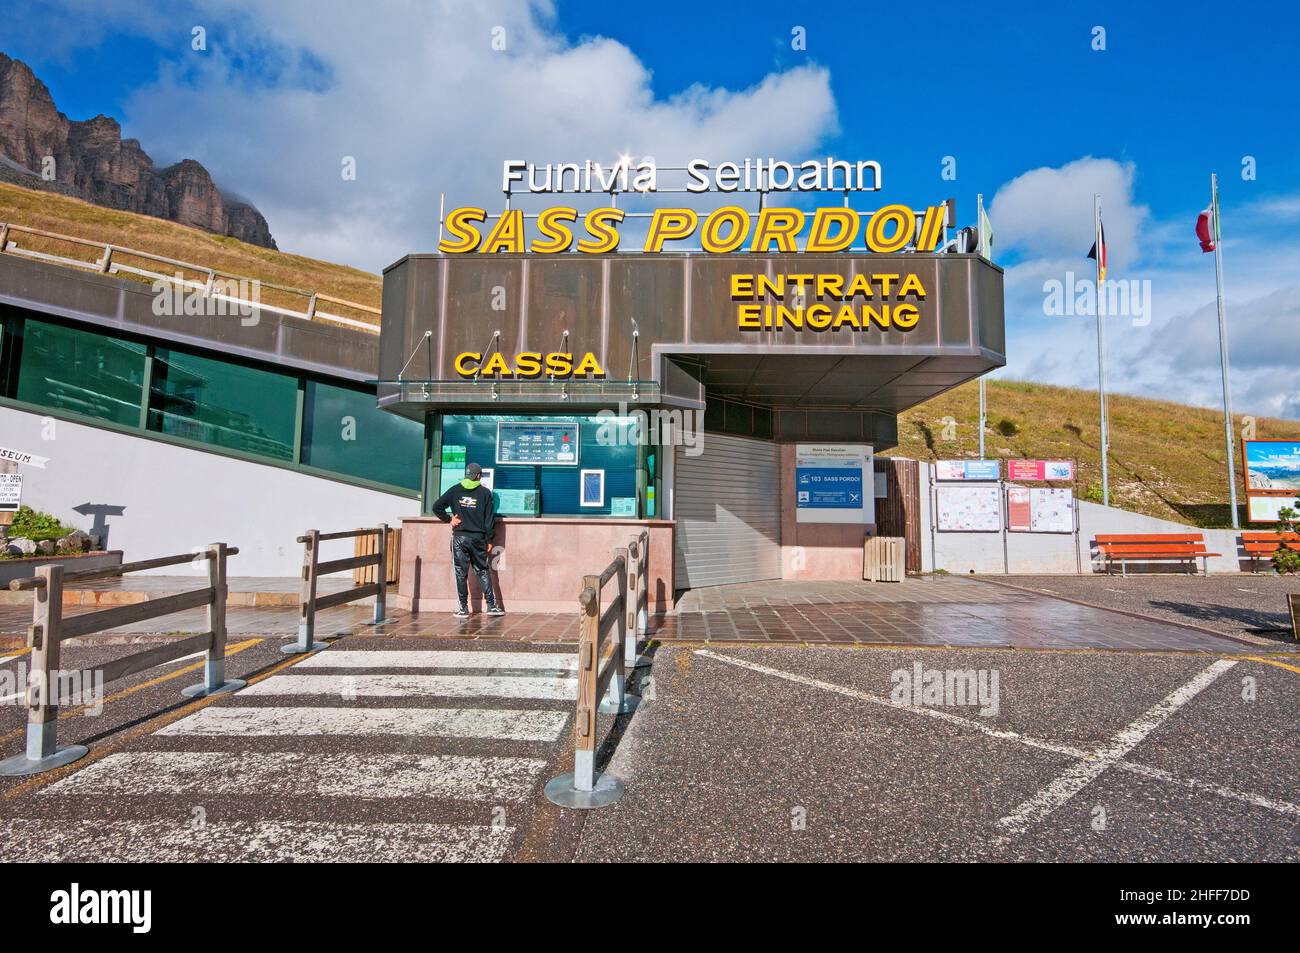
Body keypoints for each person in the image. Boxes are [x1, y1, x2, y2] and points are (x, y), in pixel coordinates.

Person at [431, 462, 504, 617]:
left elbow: (436, 506)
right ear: (478, 476)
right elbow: (489, 520)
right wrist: (490, 540)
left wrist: (449, 519)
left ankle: (463, 608)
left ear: (467, 475)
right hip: (478, 538)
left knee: (460, 572)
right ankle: (491, 606)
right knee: (483, 570)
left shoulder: (455, 490)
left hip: (459, 538)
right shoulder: (485, 493)